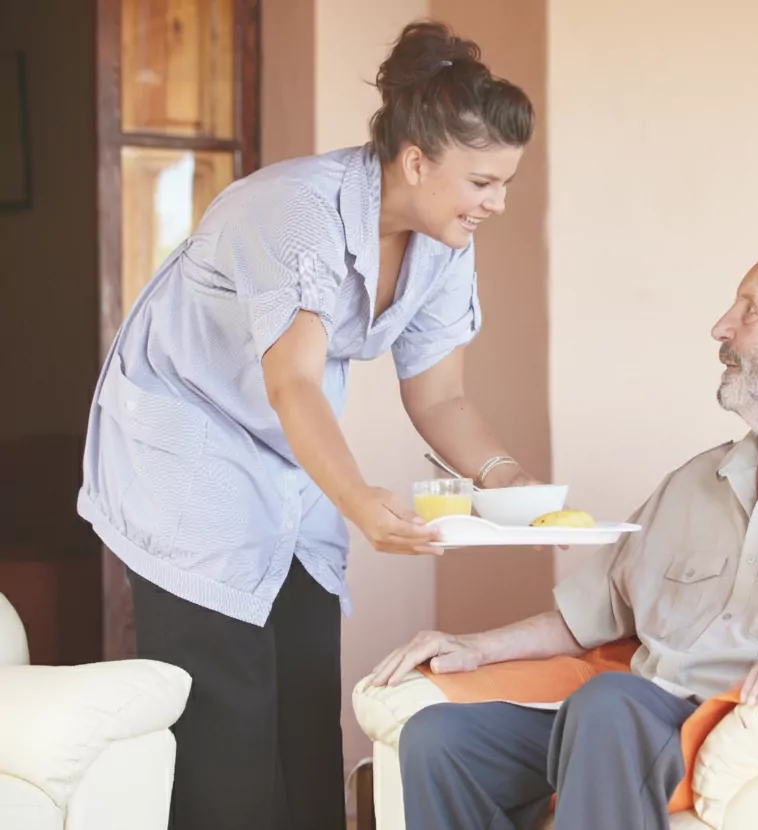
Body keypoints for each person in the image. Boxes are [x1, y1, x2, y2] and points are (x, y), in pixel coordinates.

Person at [77, 20, 540, 830]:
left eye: (505, 183)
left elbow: (439, 400)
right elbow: (291, 382)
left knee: (303, 706)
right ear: (417, 160)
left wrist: (512, 487)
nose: (496, 203)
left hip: (289, 454)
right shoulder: (293, 212)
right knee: (227, 719)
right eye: (483, 182)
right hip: (189, 447)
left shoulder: (442, 240)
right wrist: (361, 503)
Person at [373, 245, 758, 830]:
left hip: (733, 721)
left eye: (750, 311)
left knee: (610, 704)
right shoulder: (694, 481)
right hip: (624, 723)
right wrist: (475, 647)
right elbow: (587, 616)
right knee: (438, 740)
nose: (721, 327)